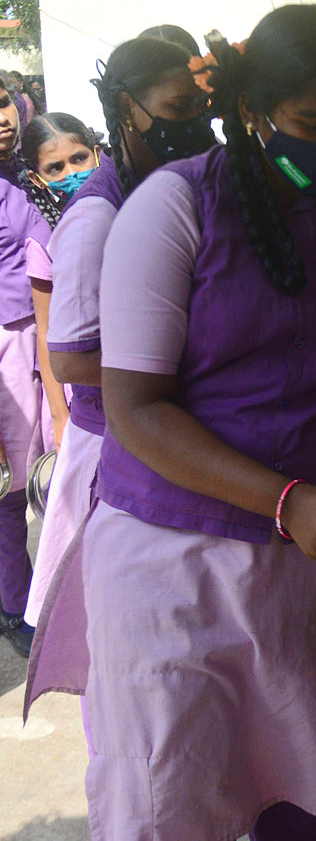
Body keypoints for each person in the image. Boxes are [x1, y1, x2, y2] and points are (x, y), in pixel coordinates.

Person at [27, 4, 316, 839]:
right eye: (313, 123)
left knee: (307, 790)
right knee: (174, 793)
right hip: (179, 566)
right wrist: (282, 498)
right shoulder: (172, 209)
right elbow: (135, 407)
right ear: (256, 114)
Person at [22, 37, 215, 631]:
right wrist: (181, 364)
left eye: (201, 112)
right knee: (115, 627)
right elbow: (73, 359)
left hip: (164, 428)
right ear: (129, 110)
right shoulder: (96, 217)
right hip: (114, 442)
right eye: (177, 112)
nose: (195, 128)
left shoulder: (174, 191)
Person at [17, 112, 104, 454]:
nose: (72, 174)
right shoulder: (43, 240)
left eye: (79, 159)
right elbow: (45, 328)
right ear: (39, 179)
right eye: (56, 168)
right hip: (82, 392)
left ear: (96, 153)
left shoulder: (126, 209)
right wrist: (58, 414)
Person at [0, 82, 51, 656]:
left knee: (44, 474)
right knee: (14, 488)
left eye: (2, 103)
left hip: (43, 340)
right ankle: (17, 606)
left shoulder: (29, 173)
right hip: (10, 344)